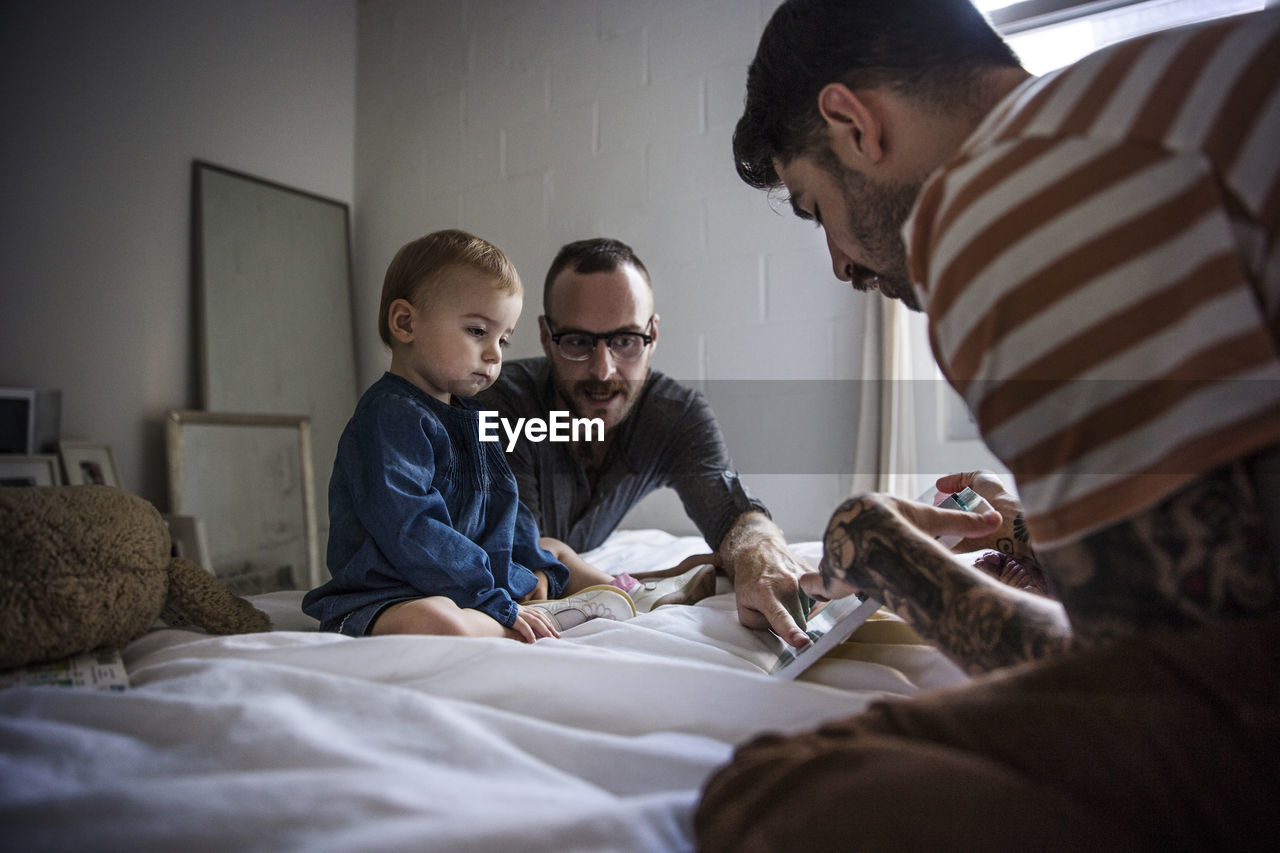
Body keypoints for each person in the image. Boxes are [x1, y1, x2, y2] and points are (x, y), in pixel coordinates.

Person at [695, 1, 1280, 849]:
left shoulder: (1016, 194)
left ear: (852, 122)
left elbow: (1162, 703)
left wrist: (887, 550)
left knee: (765, 790)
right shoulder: (1154, 104)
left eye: (814, 207)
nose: (842, 263)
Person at [301, 229, 639, 643]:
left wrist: (526, 564)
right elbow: (412, 530)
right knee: (437, 620)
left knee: (552, 548)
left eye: (503, 339)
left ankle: (633, 595)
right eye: (478, 331)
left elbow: (503, 507)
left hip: (468, 578)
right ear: (405, 323)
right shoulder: (388, 418)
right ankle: (527, 623)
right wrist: (494, 599)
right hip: (391, 589)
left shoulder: (475, 417)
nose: (496, 353)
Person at [476, 237, 816, 647]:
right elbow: (521, 561)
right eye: (579, 342)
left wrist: (759, 555)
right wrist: (654, 582)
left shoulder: (675, 416)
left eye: (625, 341)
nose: (603, 370)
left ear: (652, 333)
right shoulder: (496, 406)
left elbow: (731, 513)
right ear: (547, 337)